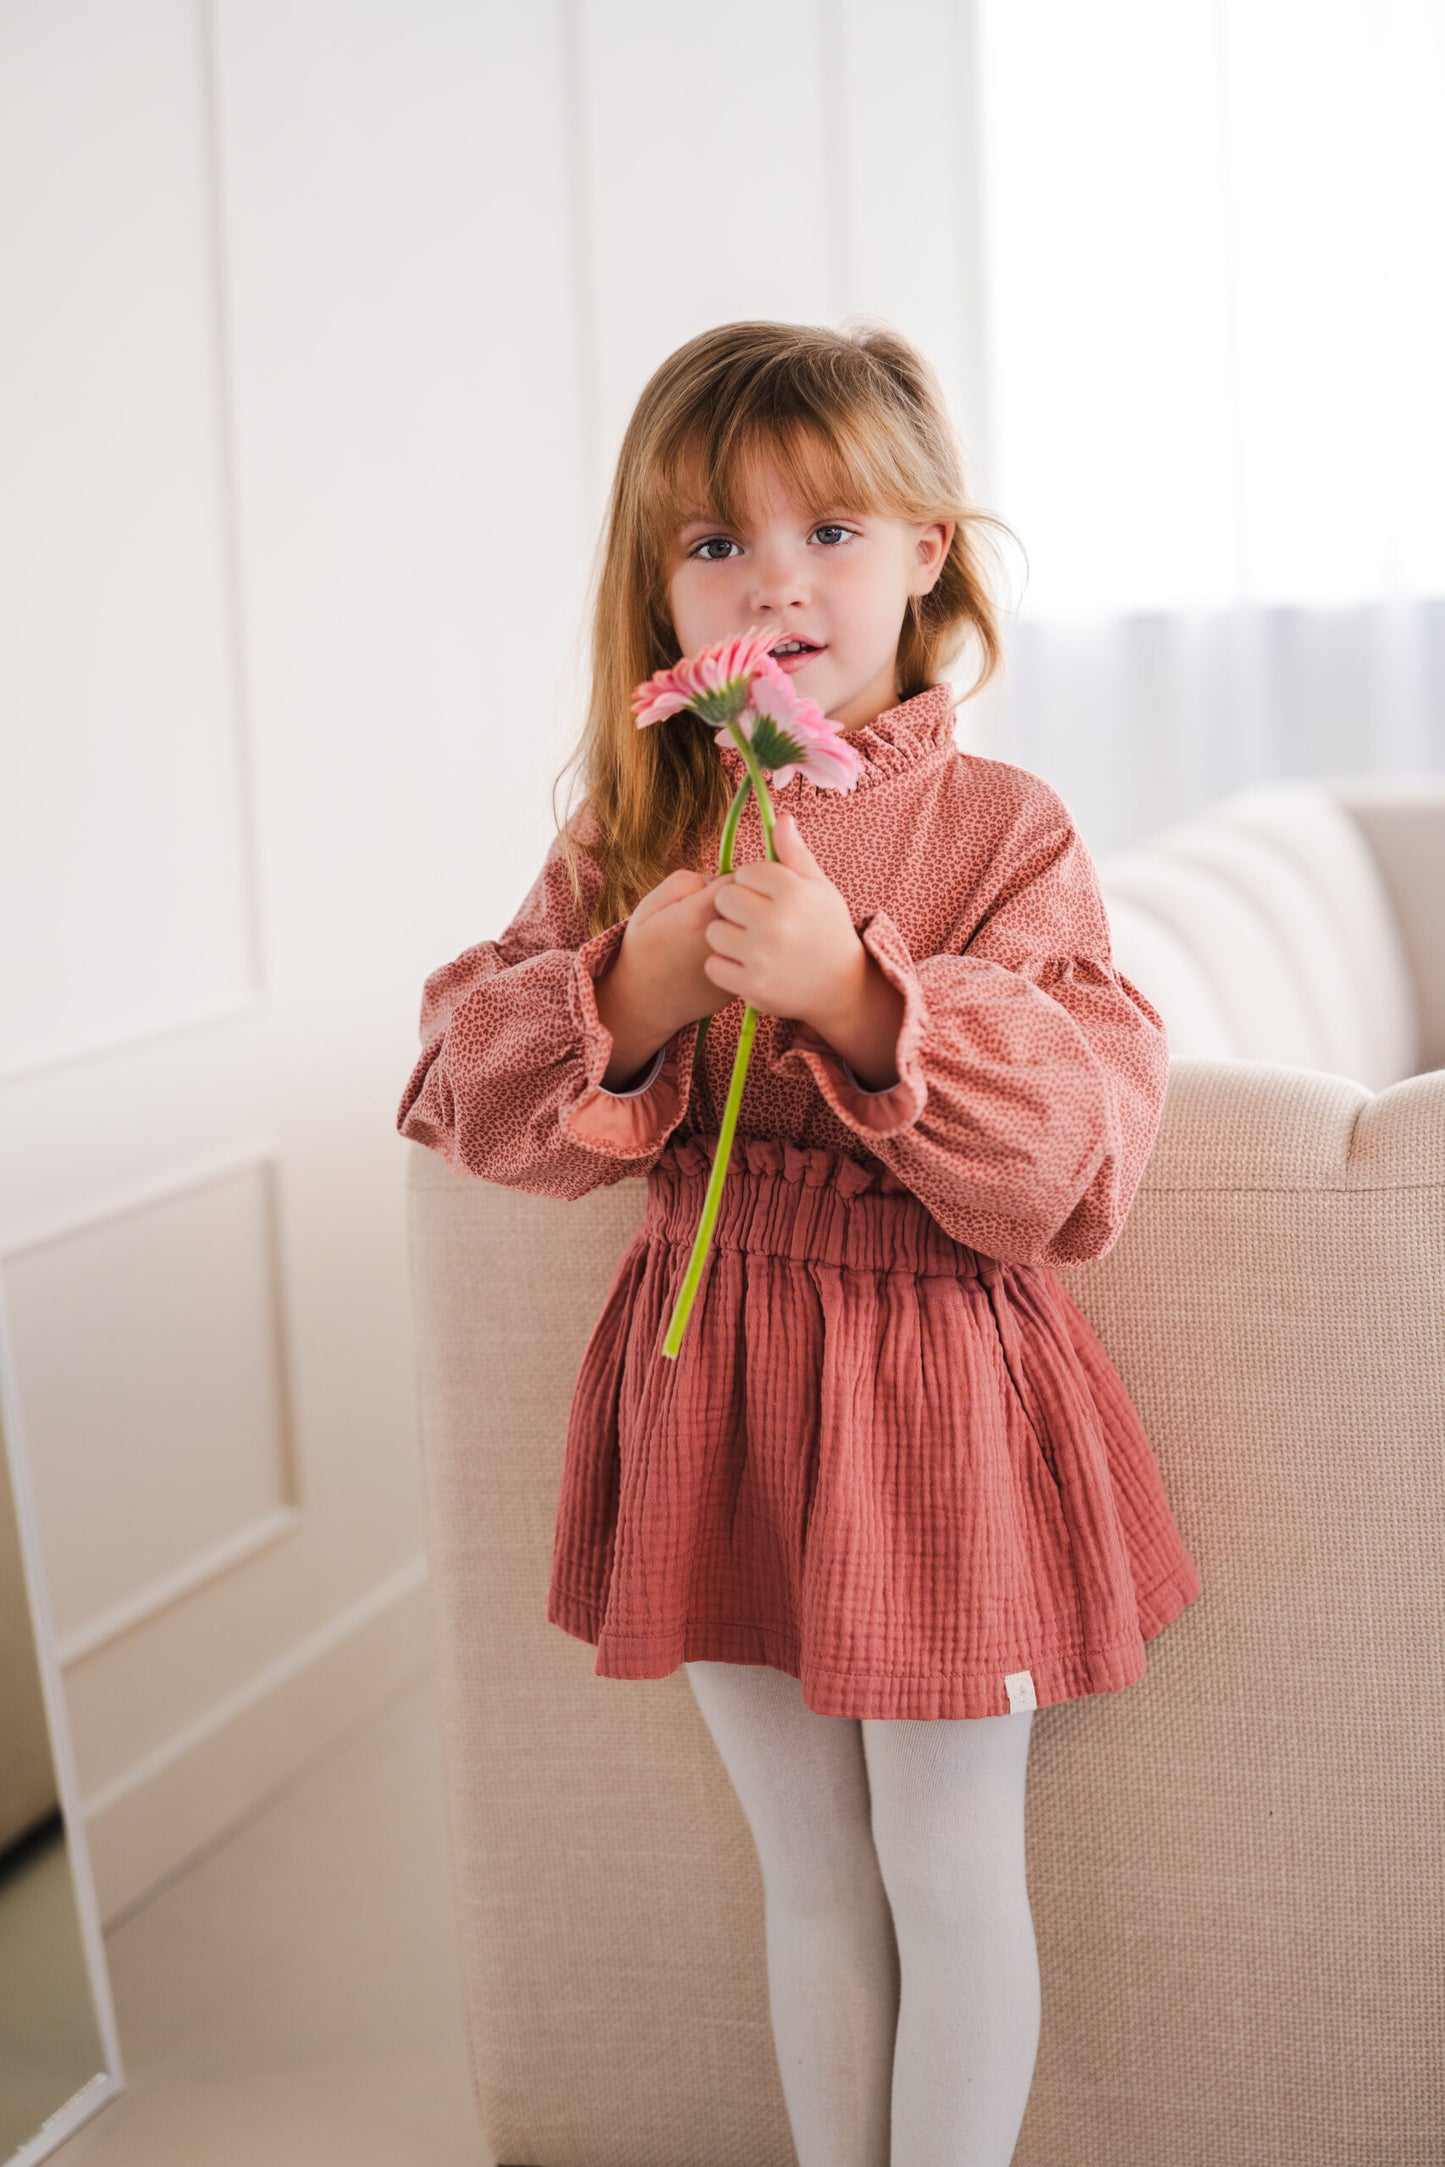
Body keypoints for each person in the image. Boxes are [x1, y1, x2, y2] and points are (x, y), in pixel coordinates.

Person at [395, 317, 1202, 2167]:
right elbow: (464, 1090)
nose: (774, 580)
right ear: (657, 597)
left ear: (929, 555)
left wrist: (858, 1000)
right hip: (717, 1378)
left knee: (950, 1857)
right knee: (811, 1870)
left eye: (831, 530)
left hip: (932, 1392)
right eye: (713, 546)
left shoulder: (1004, 828)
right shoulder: (638, 828)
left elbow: (1079, 1145)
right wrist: (630, 978)